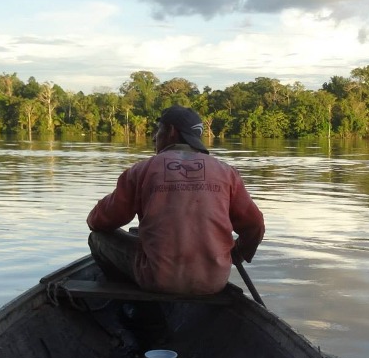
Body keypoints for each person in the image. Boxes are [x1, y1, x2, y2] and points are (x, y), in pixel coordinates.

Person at [87, 105, 264, 296]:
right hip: (214, 282)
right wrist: (238, 253)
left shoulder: (142, 170)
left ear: (171, 132)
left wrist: (92, 219)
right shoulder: (226, 172)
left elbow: (102, 220)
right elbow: (255, 225)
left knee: (98, 237)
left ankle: (142, 312)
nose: (154, 138)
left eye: (158, 130)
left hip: (158, 279)